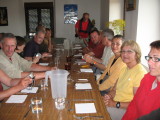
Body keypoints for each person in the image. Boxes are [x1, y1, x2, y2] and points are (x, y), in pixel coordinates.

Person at [103, 40, 147, 120]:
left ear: (137, 54)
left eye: (129, 51)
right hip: (115, 103)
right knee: (96, 102)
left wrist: (114, 104)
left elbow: (137, 104)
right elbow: (115, 89)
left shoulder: (140, 73)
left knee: (98, 111)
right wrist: (109, 96)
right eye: (123, 51)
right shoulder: (124, 69)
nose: (125, 54)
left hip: (127, 110)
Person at [122, 40, 160, 120]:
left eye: (156, 58)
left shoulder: (140, 72)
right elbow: (134, 105)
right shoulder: (147, 78)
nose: (149, 62)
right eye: (149, 57)